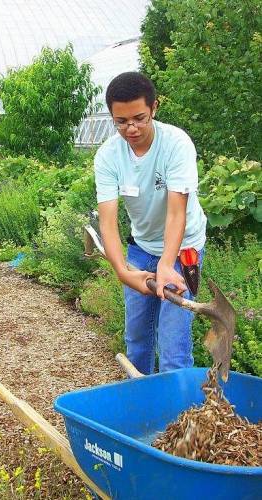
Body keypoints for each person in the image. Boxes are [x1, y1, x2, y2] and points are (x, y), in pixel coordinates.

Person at [94, 72, 207, 375]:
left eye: (139, 118)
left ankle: (178, 417)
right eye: (121, 121)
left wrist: (167, 264)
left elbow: (176, 212)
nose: (131, 128)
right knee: (138, 341)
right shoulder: (108, 156)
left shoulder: (175, 144)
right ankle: (139, 410)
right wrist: (122, 271)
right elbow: (108, 222)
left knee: (173, 346)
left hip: (183, 249)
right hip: (141, 249)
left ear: (154, 107)